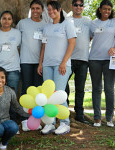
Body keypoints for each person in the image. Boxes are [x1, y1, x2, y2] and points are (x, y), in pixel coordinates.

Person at [37, 1, 76, 135]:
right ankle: (50, 123)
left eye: (53, 9)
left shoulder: (67, 24)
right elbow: (44, 46)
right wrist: (40, 63)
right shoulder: (47, 27)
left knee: (59, 94)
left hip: (62, 65)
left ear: (59, 10)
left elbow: (72, 43)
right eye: (49, 10)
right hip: (47, 65)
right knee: (49, 95)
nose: (51, 12)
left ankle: (65, 123)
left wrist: (64, 62)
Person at [89, 0, 115, 127]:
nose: (107, 11)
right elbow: (90, 38)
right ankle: (97, 118)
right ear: (100, 9)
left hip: (110, 60)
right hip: (94, 60)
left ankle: (109, 118)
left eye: (109, 9)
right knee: (96, 89)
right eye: (104, 9)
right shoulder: (93, 23)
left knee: (109, 89)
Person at [16, 0, 46, 131]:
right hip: (26, 61)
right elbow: (16, 42)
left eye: (38, 8)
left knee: (37, 92)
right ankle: (24, 119)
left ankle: (35, 119)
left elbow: (46, 45)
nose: (35, 11)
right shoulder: (22, 23)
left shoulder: (46, 25)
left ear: (42, 10)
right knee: (25, 91)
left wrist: (41, 63)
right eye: (33, 8)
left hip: (40, 64)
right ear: (30, 9)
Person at [0, 11, 21, 121]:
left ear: (12, 21)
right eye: (4, 18)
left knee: (12, 98)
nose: (6, 21)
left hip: (13, 69)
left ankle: (12, 122)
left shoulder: (17, 33)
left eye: (9, 19)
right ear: (0, 20)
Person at [65, 0, 91, 124]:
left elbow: (91, 36)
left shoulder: (88, 21)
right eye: (76, 5)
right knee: (64, 86)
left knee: (80, 88)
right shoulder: (66, 20)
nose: (78, 7)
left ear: (83, 7)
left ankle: (79, 114)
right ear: (72, 6)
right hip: (68, 59)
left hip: (83, 59)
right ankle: (64, 111)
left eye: (81, 5)